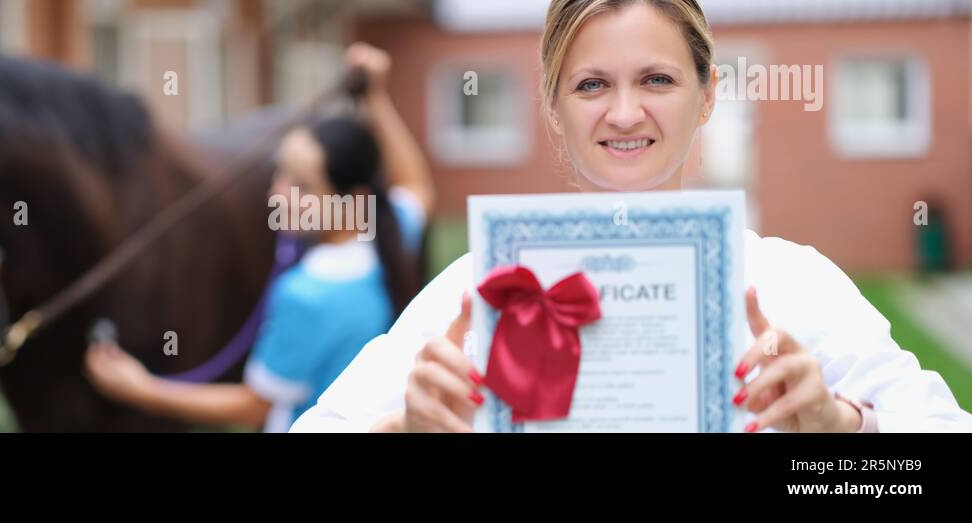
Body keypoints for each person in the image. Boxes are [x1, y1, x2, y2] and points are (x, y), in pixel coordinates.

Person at [291, 0, 972, 433]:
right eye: (591, 85)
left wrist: (842, 428)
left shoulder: (790, 285)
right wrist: (400, 430)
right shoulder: (481, 292)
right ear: (553, 110)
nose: (623, 113)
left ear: (706, 97)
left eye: (657, 79)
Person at [83, 43, 435, 432]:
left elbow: (255, 406)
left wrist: (140, 389)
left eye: (302, 186)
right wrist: (376, 97)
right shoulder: (390, 234)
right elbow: (415, 182)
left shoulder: (308, 295)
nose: (276, 195)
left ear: (353, 201)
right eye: (280, 172)